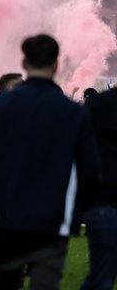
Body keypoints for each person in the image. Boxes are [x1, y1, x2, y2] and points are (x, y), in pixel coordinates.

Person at [0, 34, 99, 290]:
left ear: (24, 63)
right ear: (56, 64)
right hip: (52, 218)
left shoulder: (0, 106)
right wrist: (84, 214)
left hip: (7, 215)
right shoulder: (73, 112)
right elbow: (89, 170)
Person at [84, 83, 117, 289]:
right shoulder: (101, 103)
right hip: (106, 200)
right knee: (102, 276)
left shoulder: (99, 103)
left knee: (102, 275)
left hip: (102, 200)